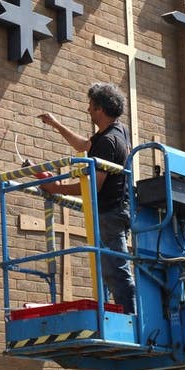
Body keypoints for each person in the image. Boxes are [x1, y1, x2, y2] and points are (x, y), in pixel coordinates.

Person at [36, 82, 137, 314]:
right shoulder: (117, 132)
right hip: (117, 210)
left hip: (110, 213)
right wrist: (55, 124)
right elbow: (84, 145)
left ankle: (131, 318)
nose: (88, 110)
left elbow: (93, 186)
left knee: (116, 270)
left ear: (100, 108)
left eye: (91, 106)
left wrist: (57, 188)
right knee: (107, 268)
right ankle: (118, 314)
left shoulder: (108, 141)